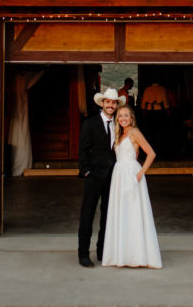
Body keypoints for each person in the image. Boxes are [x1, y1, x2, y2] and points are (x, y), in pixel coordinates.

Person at [101, 104, 162, 268]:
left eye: (126, 115)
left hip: (131, 174)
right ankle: (121, 254)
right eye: (120, 116)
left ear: (131, 117)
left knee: (134, 212)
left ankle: (137, 255)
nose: (122, 118)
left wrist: (141, 172)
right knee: (121, 212)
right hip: (119, 174)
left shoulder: (135, 132)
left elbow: (151, 153)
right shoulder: (118, 133)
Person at [77, 87, 123, 267]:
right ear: (102, 103)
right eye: (108, 102)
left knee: (107, 215)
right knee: (87, 214)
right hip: (94, 176)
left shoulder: (119, 124)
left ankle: (102, 251)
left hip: (113, 177)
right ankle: (83, 253)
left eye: (113, 103)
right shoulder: (90, 123)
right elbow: (83, 149)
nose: (111, 105)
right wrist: (86, 170)